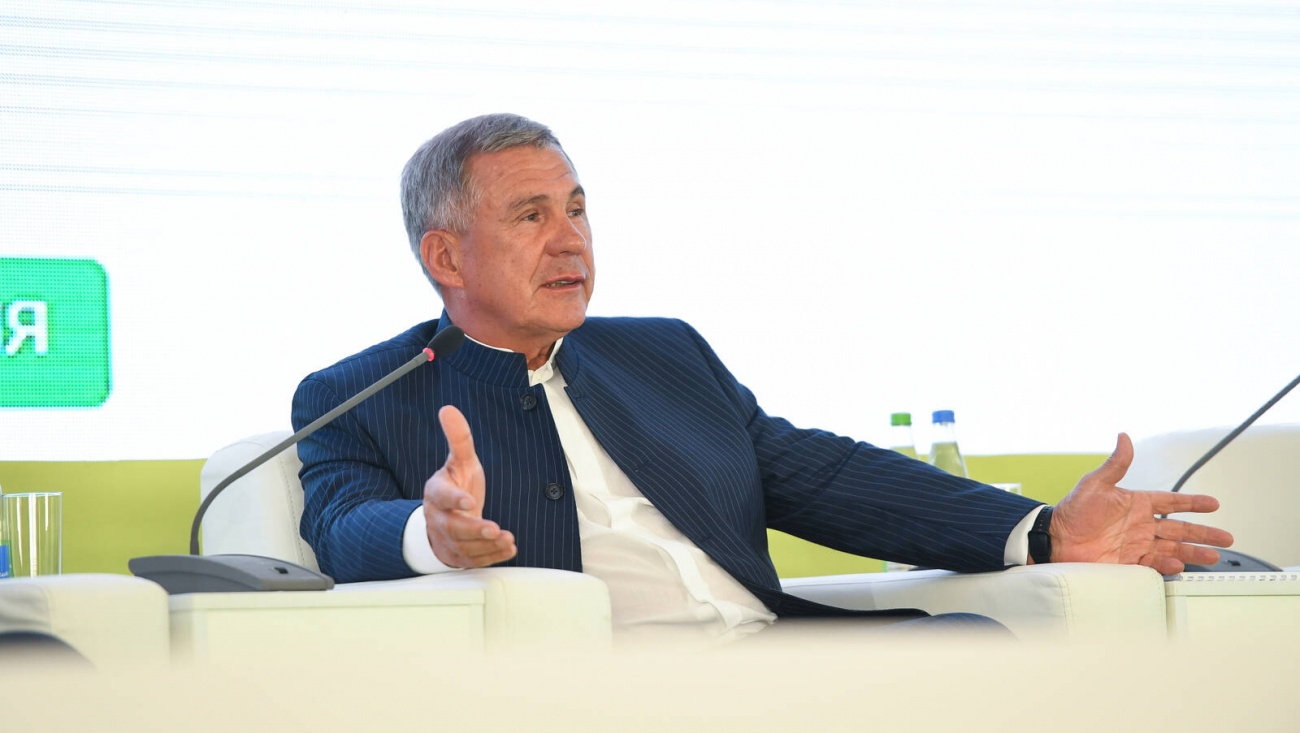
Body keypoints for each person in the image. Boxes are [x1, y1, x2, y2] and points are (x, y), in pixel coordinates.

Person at [292, 113, 1232, 644]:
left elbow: (819, 474)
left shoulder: (663, 352)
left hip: (775, 651)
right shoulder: (360, 394)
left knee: (978, 644)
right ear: (446, 255)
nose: (572, 239)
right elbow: (339, 525)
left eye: (578, 209)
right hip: (601, 684)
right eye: (531, 216)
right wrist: (432, 533)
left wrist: (1043, 530)